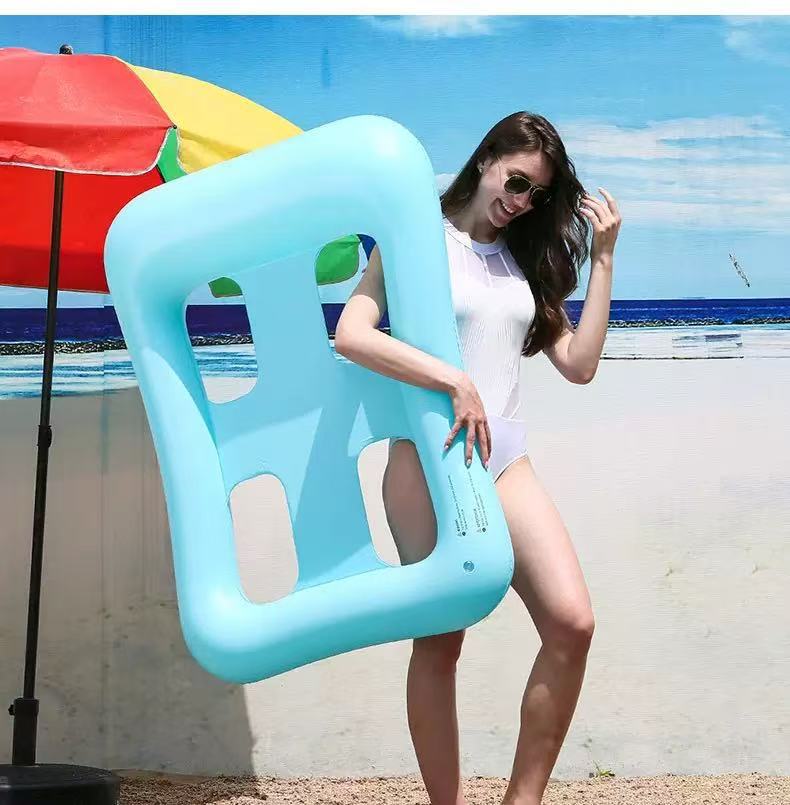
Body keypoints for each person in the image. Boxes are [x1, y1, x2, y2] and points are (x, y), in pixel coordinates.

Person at [334, 111, 622, 805]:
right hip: (428, 462)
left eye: (537, 195)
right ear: (487, 157)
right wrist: (452, 380)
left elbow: (580, 365)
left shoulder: (524, 258)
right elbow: (351, 334)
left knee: (572, 623)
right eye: (517, 182)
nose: (522, 202)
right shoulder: (416, 236)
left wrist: (604, 259)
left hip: (505, 458)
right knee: (442, 642)